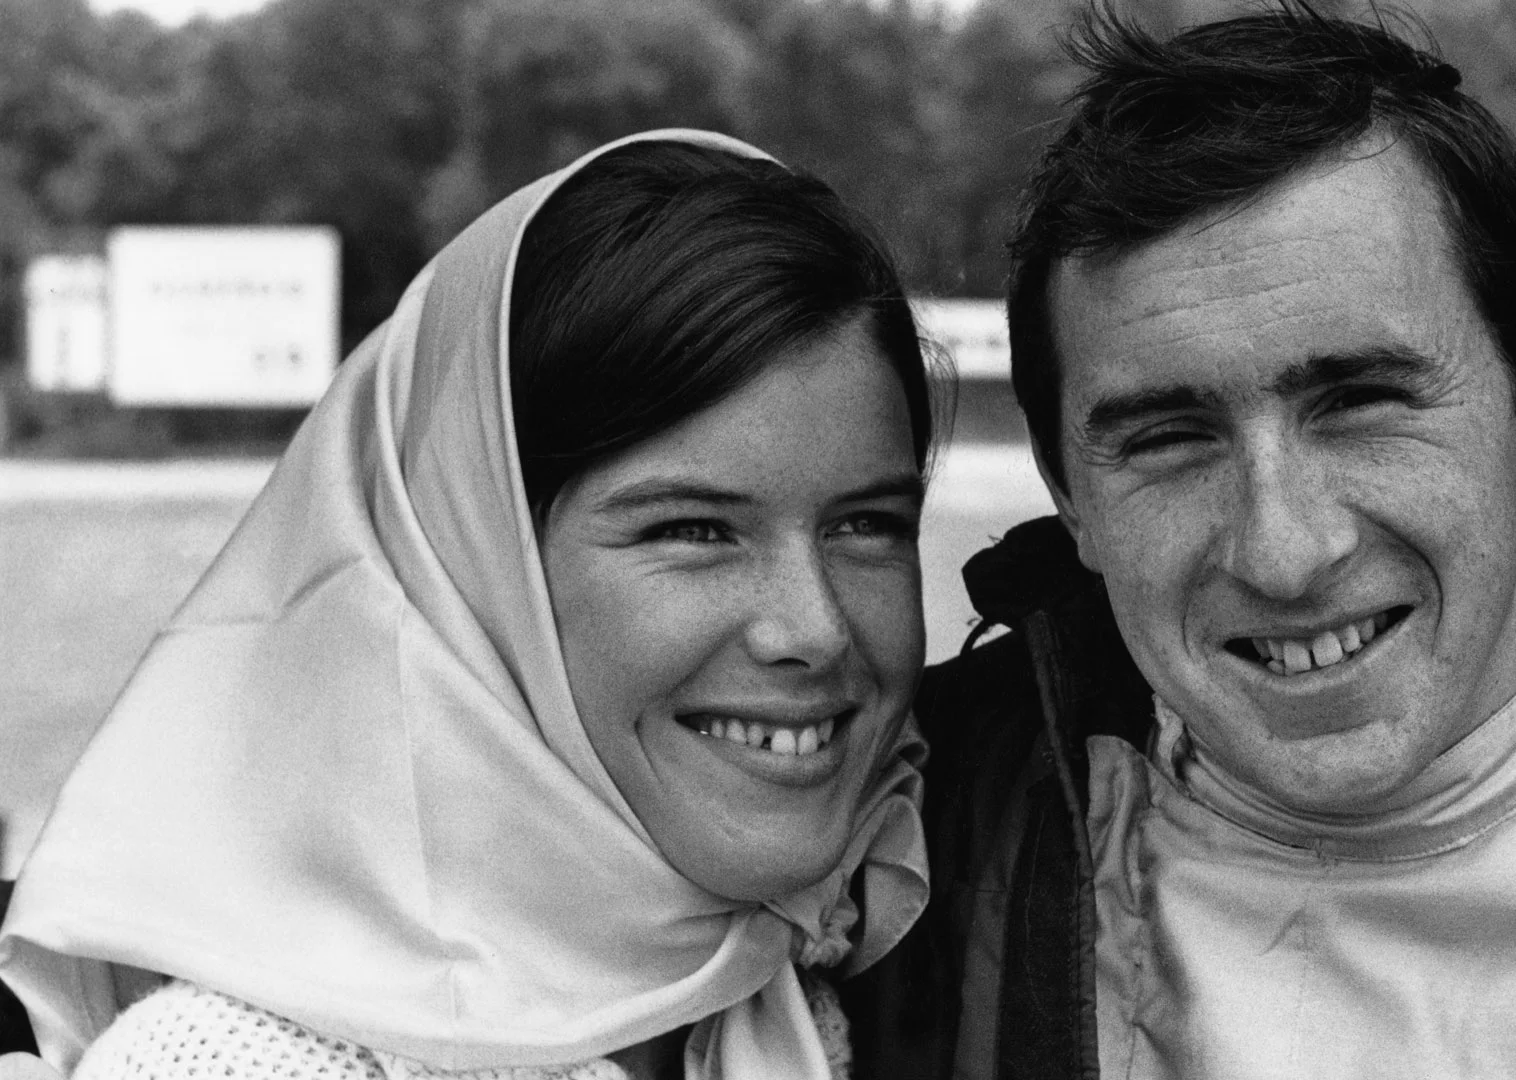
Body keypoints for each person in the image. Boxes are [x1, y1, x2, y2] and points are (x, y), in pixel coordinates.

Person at [843, 8, 1516, 1079]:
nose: (1283, 551)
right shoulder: (875, 889)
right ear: (1067, 492)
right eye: (1170, 439)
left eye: (1360, 401)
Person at [0, 129, 938, 1080]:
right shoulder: (245, 1062)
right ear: (473, 570)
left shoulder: (783, 981)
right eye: (693, 531)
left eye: (867, 525)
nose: (815, 629)